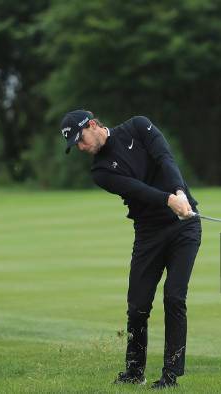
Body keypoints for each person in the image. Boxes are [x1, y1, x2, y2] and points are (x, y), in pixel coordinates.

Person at [61, 109, 202, 389]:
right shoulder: (100, 171)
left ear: (92, 125)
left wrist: (180, 193)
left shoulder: (138, 127)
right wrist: (168, 200)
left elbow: (165, 158)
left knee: (174, 298)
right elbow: (137, 189)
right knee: (137, 307)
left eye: (81, 139)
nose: (81, 147)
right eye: (75, 144)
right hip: (148, 234)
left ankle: (171, 375)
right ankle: (135, 372)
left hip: (184, 227)